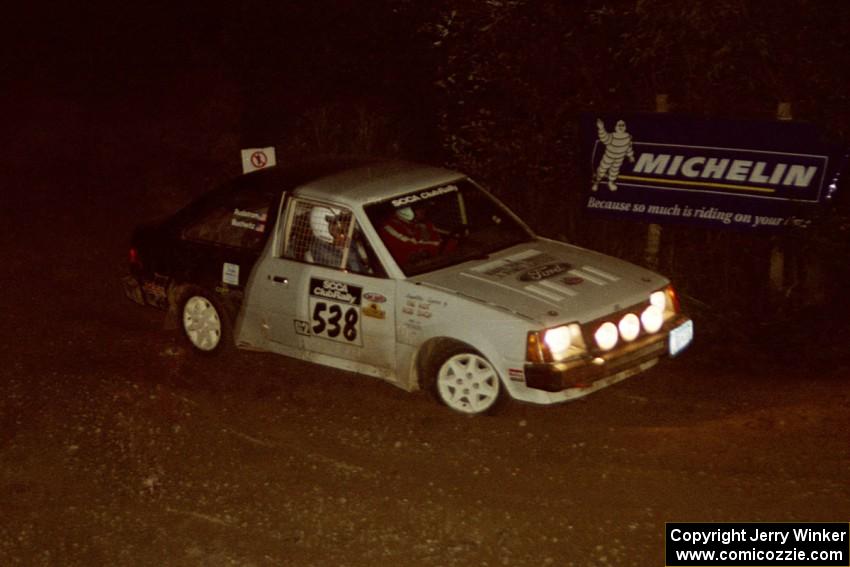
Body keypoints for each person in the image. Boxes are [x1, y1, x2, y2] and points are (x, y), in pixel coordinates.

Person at [307, 206, 370, 273]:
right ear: (323, 227)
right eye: (335, 224)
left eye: (342, 221)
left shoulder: (346, 243)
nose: (343, 227)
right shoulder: (323, 255)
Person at [380, 206, 446, 267]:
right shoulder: (389, 226)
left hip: (435, 261)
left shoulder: (424, 224)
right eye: (418, 208)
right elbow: (411, 244)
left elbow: (437, 239)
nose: (423, 210)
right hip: (410, 268)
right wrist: (438, 245)